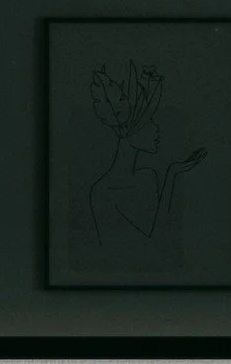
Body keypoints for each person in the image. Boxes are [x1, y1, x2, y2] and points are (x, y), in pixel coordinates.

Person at [87, 60, 203, 264]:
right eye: (149, 121)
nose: (156, 128)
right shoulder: (102, 193)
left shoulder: (147, 175)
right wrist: (171, 176)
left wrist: (172, 174)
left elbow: (167, 240)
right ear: (129, 130)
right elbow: (153, 248)